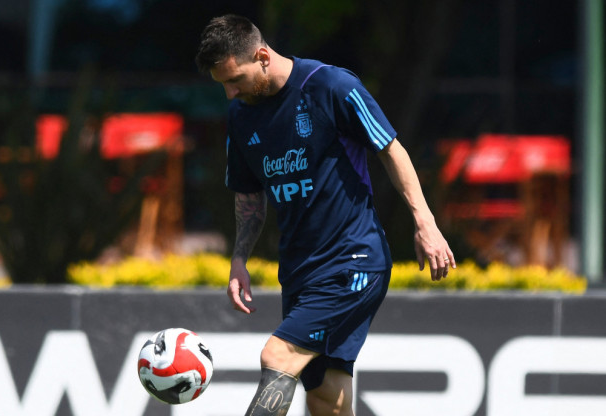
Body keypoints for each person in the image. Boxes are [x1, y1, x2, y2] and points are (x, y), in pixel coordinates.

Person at [195, 14, 456, 416]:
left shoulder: (332, 86)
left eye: (236, 80)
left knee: (277, 356)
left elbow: (390, 149)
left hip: (354, 259)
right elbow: (249, 196)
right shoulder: (241, 116)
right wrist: (239, 257)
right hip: (300, 269)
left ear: (262, 56)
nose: (230, 93)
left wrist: (426, 223)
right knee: (325, 399)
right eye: (223, 85)